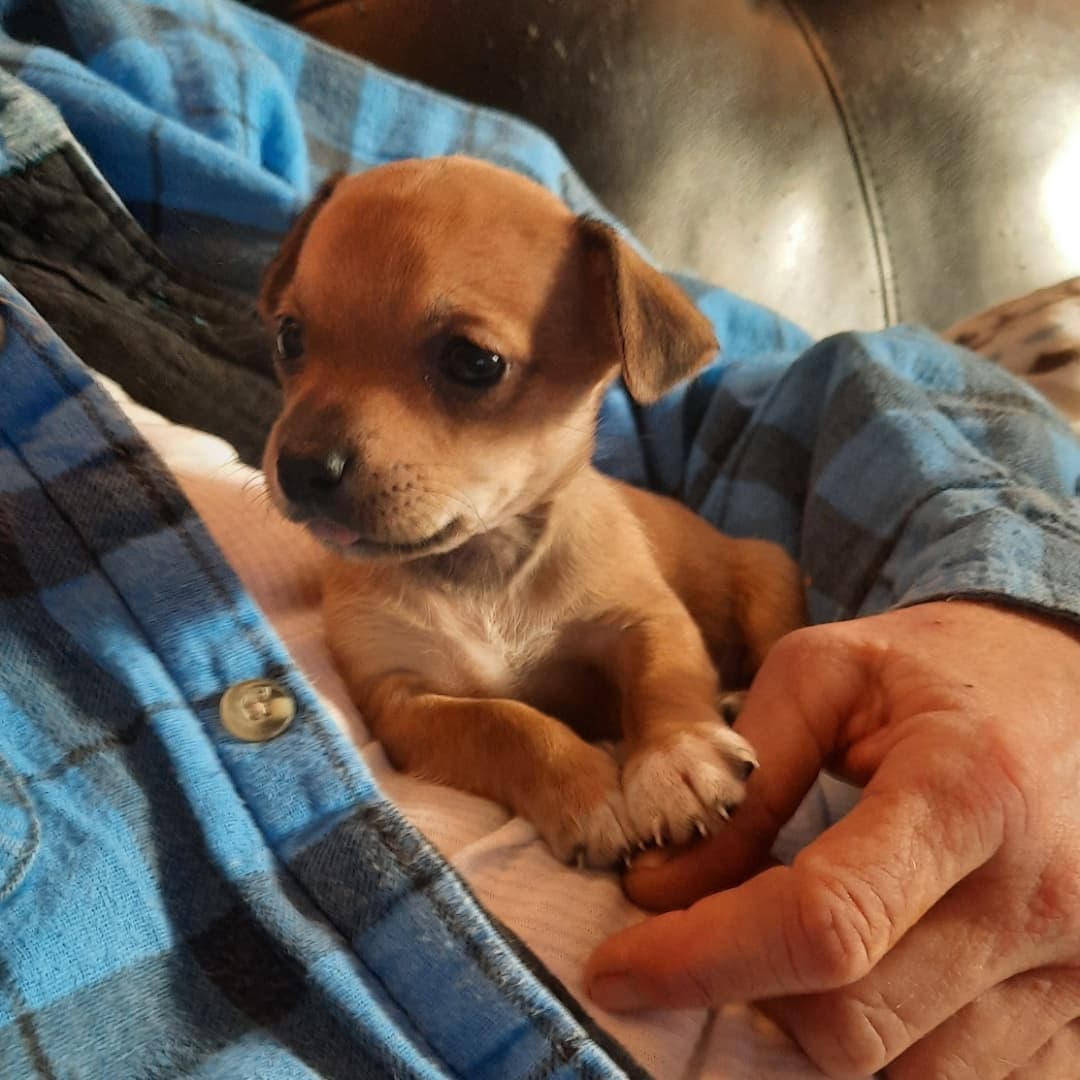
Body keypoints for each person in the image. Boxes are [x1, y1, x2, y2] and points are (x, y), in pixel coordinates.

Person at [0, 2, 1077, 1078]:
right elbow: (413, 714)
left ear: (615, 351)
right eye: (297, 344)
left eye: (467, 365)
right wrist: (548, 762)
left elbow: (757, 444)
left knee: (758, 586)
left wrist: (1019, 613)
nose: (318, 442)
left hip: (830, 827)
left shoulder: (150, 66)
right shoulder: (364, 575)